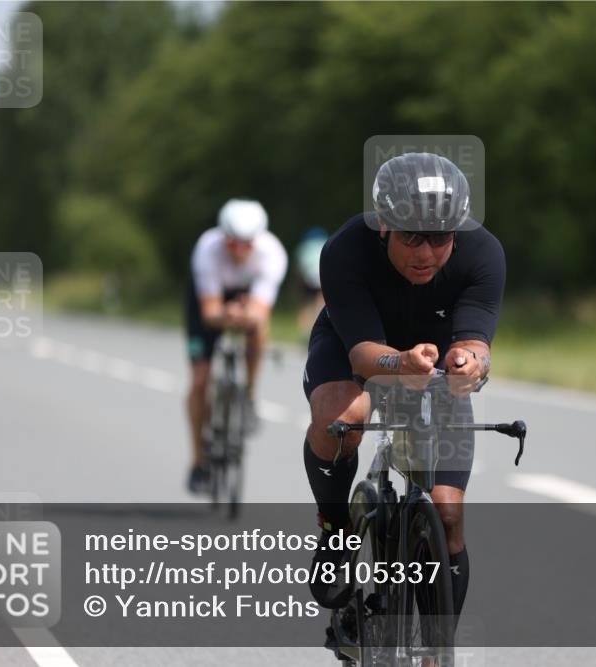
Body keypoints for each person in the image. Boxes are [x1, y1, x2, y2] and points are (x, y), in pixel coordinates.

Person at [301, 152, 505, 616]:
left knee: (449, 515)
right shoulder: (346, 248)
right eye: (412, 237)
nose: (426, 254)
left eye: (439, 238)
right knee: (343, 419)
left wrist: (471, 362)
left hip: (431, 358)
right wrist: (402, 363)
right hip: (356, 344)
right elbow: (361, 354)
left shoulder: (483, 252)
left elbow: (477, 341)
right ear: (384, 227)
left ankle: (437, 653)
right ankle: (335, 530)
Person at [185, 199, 288, 493]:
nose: (239, 250)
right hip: (208, 300)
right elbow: (209, 313)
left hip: (247, 298)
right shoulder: (207, 249)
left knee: (258, 328)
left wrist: (244, 315)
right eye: (232, 243)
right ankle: (198, 461)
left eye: (247, 244)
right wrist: (226, 314)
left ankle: (249, 393)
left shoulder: (272, 253)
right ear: (223, 237)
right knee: (200, 381)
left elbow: (259, 312)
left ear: (258, 241)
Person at [294, 227, 328, 335]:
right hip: (322, 274)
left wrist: (297, 288)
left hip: (307, 276)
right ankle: (321, 326)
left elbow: (298, 270)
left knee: (305, 303)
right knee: (321, 302)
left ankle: (306, 329)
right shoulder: (326, 244)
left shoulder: (303, 247)